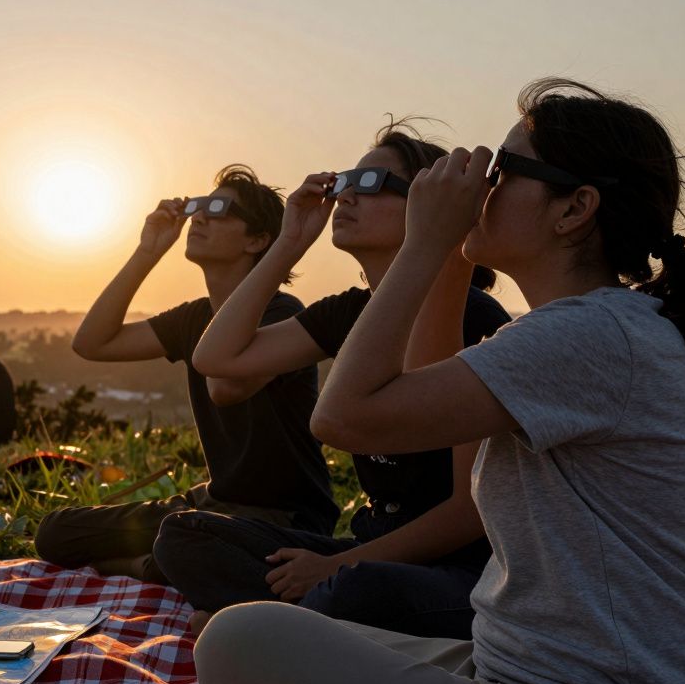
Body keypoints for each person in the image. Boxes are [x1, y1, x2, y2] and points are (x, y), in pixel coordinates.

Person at [195, 79, 685, 684]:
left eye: (503, 171)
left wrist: (425, 241)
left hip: (590, 678)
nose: (483, 187)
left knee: (242, 639)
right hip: (514, 658)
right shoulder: (586, 328)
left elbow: (342, 419)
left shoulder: (592, 335)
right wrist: (449, 249)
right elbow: (418, 389)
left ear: (574, 208)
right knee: (255, 628)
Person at [153, 122, 510, 639]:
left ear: (426, 203)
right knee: (184, 537)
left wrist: (334, 569)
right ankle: (292, 621)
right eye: (344, 182)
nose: (345, 196)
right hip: (368, 545)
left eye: (369, 185)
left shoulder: (469, 317)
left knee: (353, 590)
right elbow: (217, 357)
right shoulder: (352, 311)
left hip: (458, 571)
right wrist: (290, 241)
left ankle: (282, 620)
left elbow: (470, 511)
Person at [34, 165, 338, 584]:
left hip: (282, 517)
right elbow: (93, 343)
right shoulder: (194, 316)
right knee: (57, 532)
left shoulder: (282, 314)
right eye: (199, 206)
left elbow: (224, 387)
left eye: (219, 209)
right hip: (213, 503)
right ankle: (156, 563)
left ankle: (140, 567)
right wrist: (148, 251)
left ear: (258, 239)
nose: (201, 217)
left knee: (183, 545)